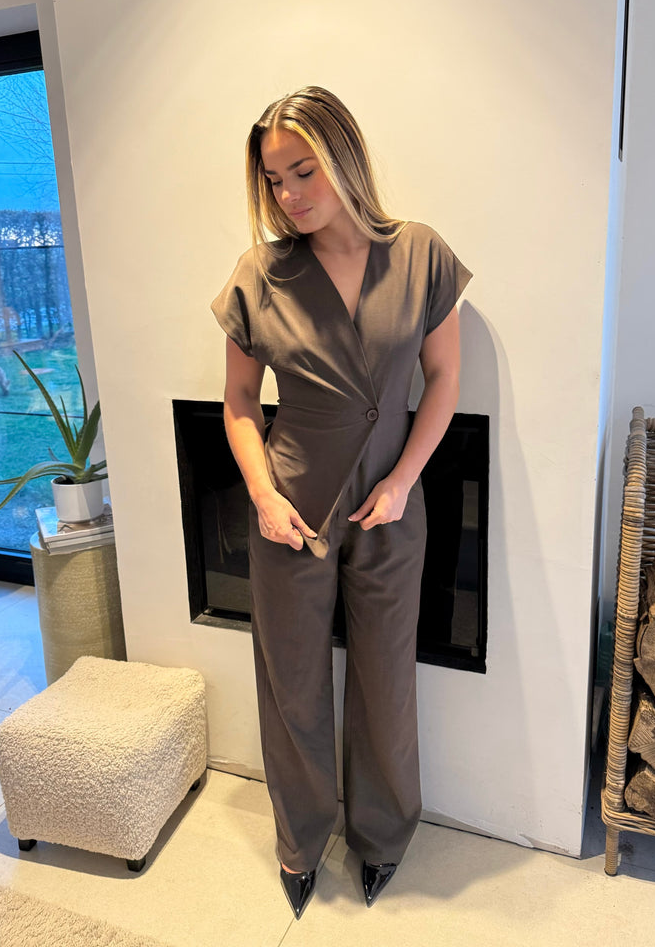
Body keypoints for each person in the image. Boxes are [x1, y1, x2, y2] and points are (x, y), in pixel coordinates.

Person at [211, 86, 471, 918]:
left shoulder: (419, 254)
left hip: (391, 501)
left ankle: (382, 836)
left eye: (303, 170)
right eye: (273, 179)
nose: (288, 194)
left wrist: (402, 481)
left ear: (344, 157)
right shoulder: (260, 273)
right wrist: (261, 495)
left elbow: (443, 379)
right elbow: (238, 402)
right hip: (290, 501)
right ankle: (299, 840)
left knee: (385, 678)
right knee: (291, 680)